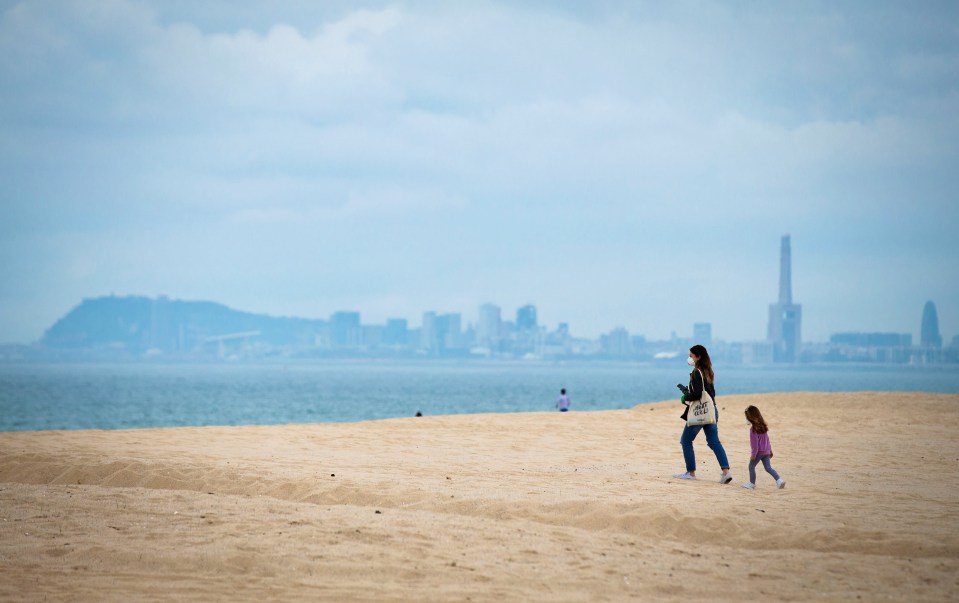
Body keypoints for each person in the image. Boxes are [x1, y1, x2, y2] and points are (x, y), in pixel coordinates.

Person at [673, 345, 733, 483]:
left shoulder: (696, 372)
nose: (690, 358)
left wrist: (685, 397)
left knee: (686, 440)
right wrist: (688, 390)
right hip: (711, 410)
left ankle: (690, 472)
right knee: (714, 441)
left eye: (691, 355)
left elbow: (697, 394)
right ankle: (726, 472)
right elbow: (708, 392)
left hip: (700, 413)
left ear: (698, 357)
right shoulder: (708, 371)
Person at [742, 405, 786, 490]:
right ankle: (779, 480)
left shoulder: (753, 430)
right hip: (766, 451)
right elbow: (767, 440)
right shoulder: (763, 426)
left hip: (759, 453)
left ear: (750, 417)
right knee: (768, 468)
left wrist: (753, 454)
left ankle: (752, 483)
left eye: (746, 417)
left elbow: (755, 445)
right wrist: (770, 450)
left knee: (751, 467)